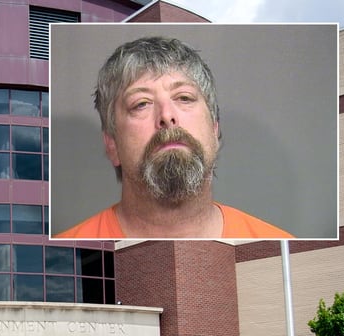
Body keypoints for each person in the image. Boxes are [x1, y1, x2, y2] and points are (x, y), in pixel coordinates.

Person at [55, 36, 293, 239]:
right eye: (141, 104)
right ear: (112, 144)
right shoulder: (72, 240)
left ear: (214, 129)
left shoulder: (278, 240)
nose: (167, 116)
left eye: (184, 98)